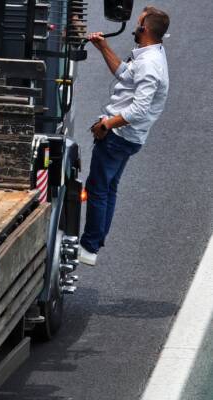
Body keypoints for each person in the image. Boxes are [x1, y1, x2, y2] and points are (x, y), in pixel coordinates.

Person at [79, 7, 170, 266]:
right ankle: (95, 242)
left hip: (119, 136)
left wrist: (107, 124)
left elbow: (140, 109)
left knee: (97, 188)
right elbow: (124, 74)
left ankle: (89, 246)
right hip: (126, 136)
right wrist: (103, 47)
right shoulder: (148, 56)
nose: (134, 27)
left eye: (139, 23)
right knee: (108, 188)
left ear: (145, 30)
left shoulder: (150, 64)